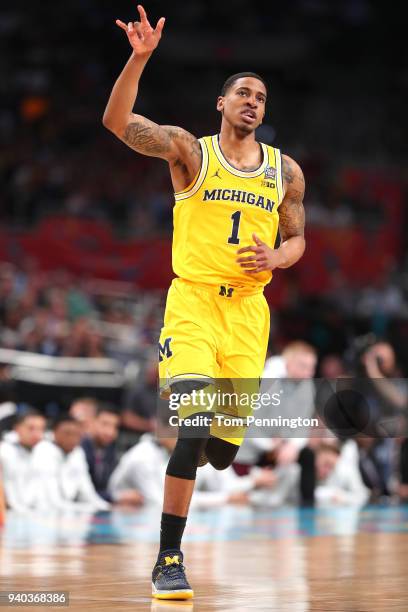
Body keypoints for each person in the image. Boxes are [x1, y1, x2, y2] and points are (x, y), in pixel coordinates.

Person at [103, 4, 305, 600]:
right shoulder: (190, 152)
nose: (252, 101)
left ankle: (220, 443)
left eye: (261, 97)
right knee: (191, 430)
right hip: (193, 305)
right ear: (221, 104)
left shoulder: (283, 172)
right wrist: (139, 59)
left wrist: (278, 258)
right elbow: (117, 121)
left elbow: (297, 239)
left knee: (220, 452)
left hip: (248, 315)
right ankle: (169, 555)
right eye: (243, 92)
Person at [32, 415, 110, 512]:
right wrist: (86, 508)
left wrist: (107, 507)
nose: (72, 438)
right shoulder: (43, 450)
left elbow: (87, 490)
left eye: (77, 434)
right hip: (40, 512)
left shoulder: (78, 452)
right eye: (67, 433)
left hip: (67, 510)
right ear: (55, 432)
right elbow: (54, 501)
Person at [81, 403, 143, 506]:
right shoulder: (80, 449)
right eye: (105, 424)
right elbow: (84, 495)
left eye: (115, 427)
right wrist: (117, 497)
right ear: (91, 422)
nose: (110, 432)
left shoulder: (109, 450)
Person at [0, 409, 46, 512]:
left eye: (41, 429)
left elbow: (40, 490)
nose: (37, 434)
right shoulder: (4, 451)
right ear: (17, 428)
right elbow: (9, 495)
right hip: (10, 513)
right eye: (31, 428)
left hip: (33, 512)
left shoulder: (42, 450)